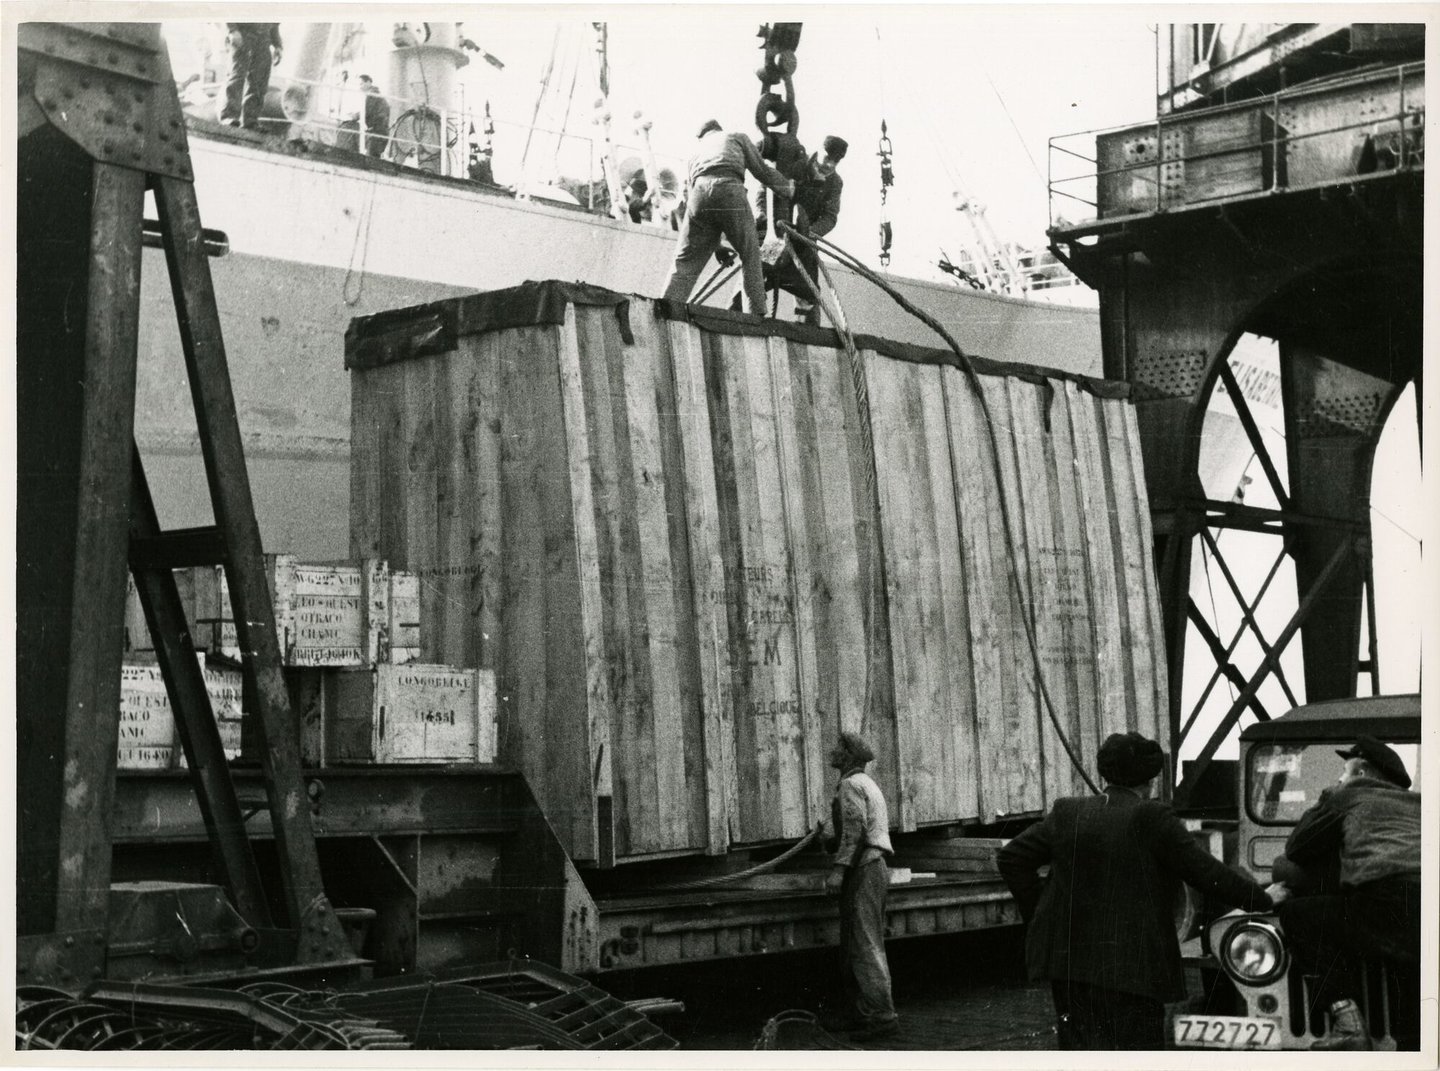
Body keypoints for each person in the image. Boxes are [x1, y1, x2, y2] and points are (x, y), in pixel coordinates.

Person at [997, 732, 1273, 1050]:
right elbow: (1207, 874)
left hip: (1071, 966)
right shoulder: (1151, 817)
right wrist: (1263, 898)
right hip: (1133, 971)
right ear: (1150, 782)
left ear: (1106, 773)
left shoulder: (1068, 813)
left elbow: (1011, 858)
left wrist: (1042, 914)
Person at [1268, 735, 1421, 1050]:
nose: (1339, 776)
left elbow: (1298, 848)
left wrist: (1325, 798)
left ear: (1361, 772)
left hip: (1385, 899)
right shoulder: (1419, 805)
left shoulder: (1349, 795)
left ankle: (1348, 1023)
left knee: (1300, 916)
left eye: (1344, 770)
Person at [662, 120, 796, 316]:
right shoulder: (735, 136)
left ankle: (666, 306)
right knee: (750, 253)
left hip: (698, 195)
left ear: (702, 136)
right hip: (729, 188)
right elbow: (762, 171)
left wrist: (716, 245)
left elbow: (697, 201)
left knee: (684, 261)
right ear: (718, 129)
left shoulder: (695, 154)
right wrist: (788, 189)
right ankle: (755, 312)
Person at [822, 731, 899, 1043]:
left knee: (865, 945)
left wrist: (838, 872)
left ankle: (881, 1017)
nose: (832, 750)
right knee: (863, 943)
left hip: (864, 870)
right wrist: (827, 836)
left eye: (838, 747)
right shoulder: (864, 783)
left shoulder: (851, 784)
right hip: (871, 868)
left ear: (848, 755)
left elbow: (856, 832)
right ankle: (864, 1013)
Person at [757, 135, 847, 325]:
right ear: (819, 151)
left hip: (804, 243)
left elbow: (830, 217)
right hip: (775, 237)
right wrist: (762, 214)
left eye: (835, 161)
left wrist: (807, 233)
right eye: (827, 158)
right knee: (753, 280)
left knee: (809, 294)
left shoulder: (835, 183)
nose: (830, 164)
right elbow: (766, 185)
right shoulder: (794, 165)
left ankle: (807, 334)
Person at [220, 23, 282, 132]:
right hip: (243, 34)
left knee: (259, 82)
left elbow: (274, 23)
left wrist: (278, 45)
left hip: (264, 40)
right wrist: (232, 30)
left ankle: (250, 121)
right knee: (236, 76)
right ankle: (229, 116)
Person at [359, 75, 391, 158]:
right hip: (380, 132)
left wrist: (355, 116)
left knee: (371, 159)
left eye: (361, 84)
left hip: (376, 132)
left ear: (369, 82)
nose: (360, 87)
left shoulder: (372, 95)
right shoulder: (376, 94)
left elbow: (366, 112)